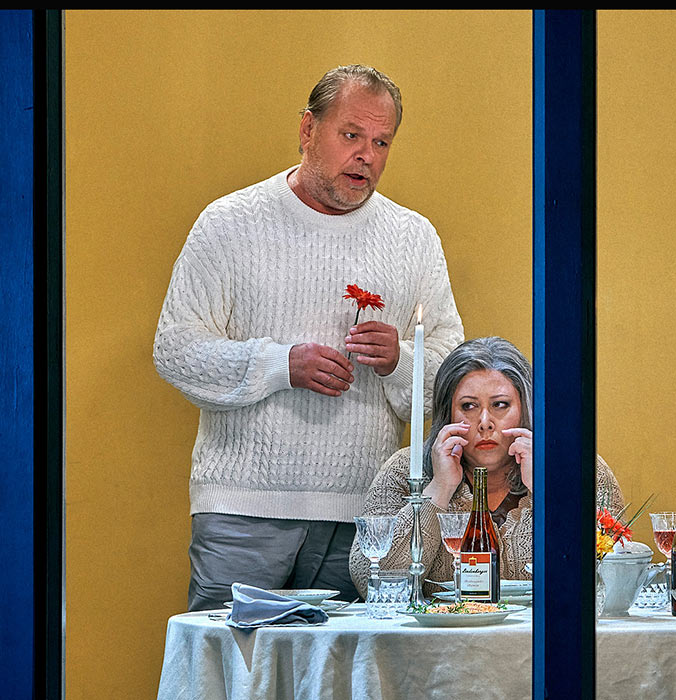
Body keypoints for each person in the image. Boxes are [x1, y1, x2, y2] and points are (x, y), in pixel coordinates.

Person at [153, 64, 464, 611]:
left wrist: (399, 359)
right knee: (232, 680)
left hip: (367, 516)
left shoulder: (413, 238)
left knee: (346, 683)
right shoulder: (229, 223)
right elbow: (175, 350)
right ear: (306, 130)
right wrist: (281, 365)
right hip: (242, 511)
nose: (366, 154)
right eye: (351, 135)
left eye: (381, 141)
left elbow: (452, 380)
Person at [349, 336, 623, 598]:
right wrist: (438, 489)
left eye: (500, 405)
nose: (484, 422)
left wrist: (546, 489)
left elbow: (615, 572)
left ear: (525, 410)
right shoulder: (405, 470)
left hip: (545, 638)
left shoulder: (582, 468)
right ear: (448, 414)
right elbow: (369, 580)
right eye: (468, 406)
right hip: (445, 639)